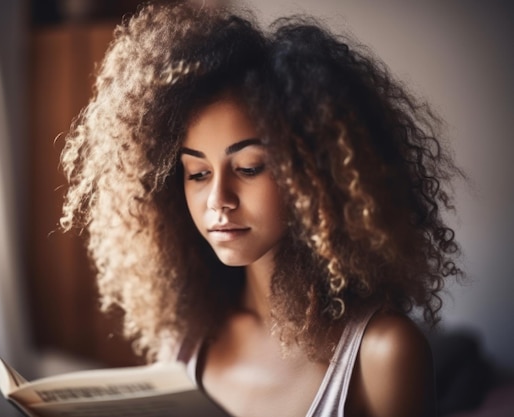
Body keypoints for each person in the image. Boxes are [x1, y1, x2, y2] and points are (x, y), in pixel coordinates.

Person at [60, 2, 464, 416]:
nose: (218, 199)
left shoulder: (384, 354)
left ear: (314, 173)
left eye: (249, 167)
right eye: (197, 173)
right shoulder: (183, 343)